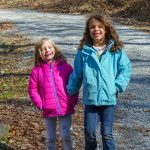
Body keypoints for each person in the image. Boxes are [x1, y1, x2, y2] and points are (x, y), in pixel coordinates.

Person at [67, 14, 131, 150]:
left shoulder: (115, 50)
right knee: (89, 133)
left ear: (106, 29)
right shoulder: (83, 52)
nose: (96, 29)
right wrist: (69, 91)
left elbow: (125, 70)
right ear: (88, 31)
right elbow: (77, 74)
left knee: (106, 133)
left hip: (109, 99)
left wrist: (117, 86)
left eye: (100, 26)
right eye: (93, 27)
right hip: (90, 99)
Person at [28, 38, 78, 150]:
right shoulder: (36, 71)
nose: (47, 50)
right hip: (48, 109)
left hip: (65, 108)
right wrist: (41, 104)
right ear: (39, 53)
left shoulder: (65, 67)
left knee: (66, 136)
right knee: (50, 139)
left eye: (49, 47)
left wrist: (72, 102)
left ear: (54, 49)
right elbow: (32, 90)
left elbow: (74, 85)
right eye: (43, 49)